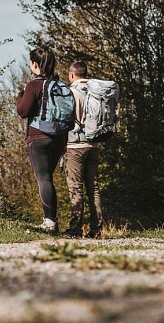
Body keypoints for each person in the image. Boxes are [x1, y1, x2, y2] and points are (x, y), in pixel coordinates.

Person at [16, 46, 67, 234]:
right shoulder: (59, 85)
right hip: (59, 138)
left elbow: (23, 111)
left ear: (35, 64)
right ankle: (53, 220)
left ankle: (49, 223)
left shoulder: (34, 85)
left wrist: (20, 97)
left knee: (44, 179)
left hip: (38, 137)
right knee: (49, 179)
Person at [63, 60, 104, 239]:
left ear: (72, 75)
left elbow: (65, 119)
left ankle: (76, 228)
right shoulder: (97, 91)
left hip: (75, 146)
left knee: (75, 188)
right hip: (93, 144)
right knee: (93, 188)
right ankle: (96, 229)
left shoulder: (70, 92)